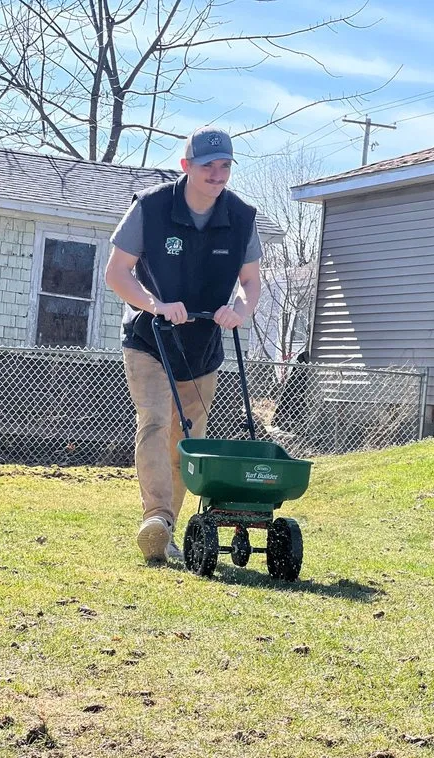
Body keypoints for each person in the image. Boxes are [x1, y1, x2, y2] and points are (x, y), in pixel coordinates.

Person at [105, 127, 262, 562]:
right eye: (208, 165)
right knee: (155, 421)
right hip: (149, 338)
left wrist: (239, 310)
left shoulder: (241, 217)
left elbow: (250, 282)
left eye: (225, 166)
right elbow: (116, 272)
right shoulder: (151, 207)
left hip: (202, 346)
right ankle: (155, 518)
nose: (217, 174)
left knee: (187, 438)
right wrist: (155, 304)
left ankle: (167, 534)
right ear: (186, 166)